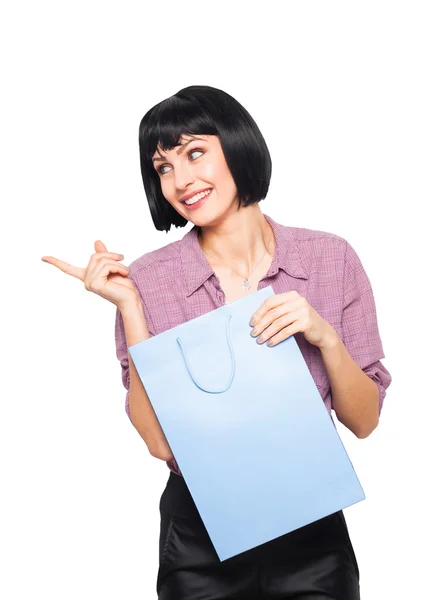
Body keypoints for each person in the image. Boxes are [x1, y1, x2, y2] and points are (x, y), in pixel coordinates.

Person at [41, 85, 392, 599]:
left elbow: (364, 422)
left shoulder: (330, 259)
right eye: (162, 167)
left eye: (195, 153)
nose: (181, 180)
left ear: (237, 144)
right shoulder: (147, 281)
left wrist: (325, 338)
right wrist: (131, 309)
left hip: (311, 533)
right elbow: (159, 444)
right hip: (199, 539)